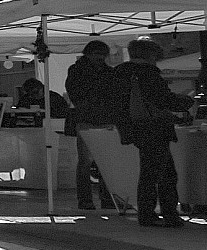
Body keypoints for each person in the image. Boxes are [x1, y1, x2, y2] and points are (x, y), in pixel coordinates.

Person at [114, 38, 191, 227]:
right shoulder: (148, 73)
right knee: (161, 174)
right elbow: (162, 99)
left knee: (153, 171)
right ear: (151, 54)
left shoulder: (120, 73)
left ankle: (152, 213)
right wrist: (185, 101)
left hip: (135, 127)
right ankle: (162, 214)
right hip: (154, 128)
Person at [65, 39, 127, 212]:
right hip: (89, 118)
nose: (100, 58)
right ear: (89, 54)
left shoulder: (107, 72)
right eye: (97, 54)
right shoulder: (79, 70)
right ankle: (88, 199)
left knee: (102, 161)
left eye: (102, 55)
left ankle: (104, 198)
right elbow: (75, 94)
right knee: (87, 161)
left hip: (100, 118)